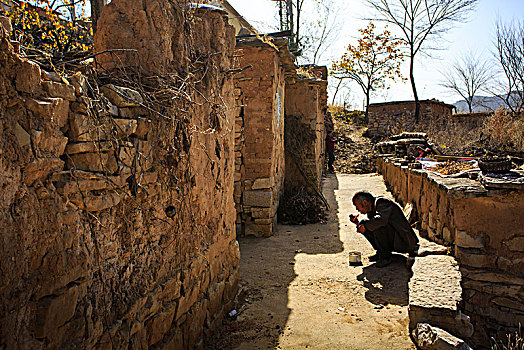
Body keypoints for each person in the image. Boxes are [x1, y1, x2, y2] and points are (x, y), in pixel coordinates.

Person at [350, 191, 419, 268]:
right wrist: (357, 223)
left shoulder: (382, 202)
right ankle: (381, 252)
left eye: (357, 206)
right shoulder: (371, 209)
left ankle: (386, 257)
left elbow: (381, 220)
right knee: (364, 223)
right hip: (395, 239)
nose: (357, 209)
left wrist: (365, 226)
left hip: (404, 241)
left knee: (376, 225)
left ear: (365, 202)